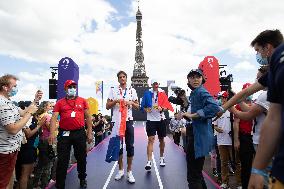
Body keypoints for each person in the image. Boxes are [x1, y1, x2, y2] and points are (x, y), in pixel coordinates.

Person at [218, 29, 283, 116]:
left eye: (257, 50)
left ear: (267, 47)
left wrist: (224, 108)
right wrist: (223, 108)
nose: (258, 54)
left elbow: (247, 96)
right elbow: (246, 92)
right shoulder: (273, 72)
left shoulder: (278, 70)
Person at [248, 43, 284, 189]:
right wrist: (257, 169)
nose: (257, 81)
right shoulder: (279, 56)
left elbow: (248, 114)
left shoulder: (263, 96)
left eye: (258, 78)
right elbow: (274, 118)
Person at [49, 80, 93, 189]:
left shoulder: (82, 101)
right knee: (62, 160)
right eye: (70, 87)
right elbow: (54, 118)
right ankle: (60, 185)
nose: (73, 88)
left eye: (74, 86)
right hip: (64, 133)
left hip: (79, 133)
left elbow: (88, 117)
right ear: (65, 89)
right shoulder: (60, 102)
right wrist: (51, 134)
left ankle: (82, 178)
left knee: (81, 158)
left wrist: (89, 132)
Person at [181, 69, 220, 189]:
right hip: (197, 134)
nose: (195, 79)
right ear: (188, 80)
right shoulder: (195, 93)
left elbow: (214, 107)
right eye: (192, 77)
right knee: (197, 173)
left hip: (197, 136)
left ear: (202, 79)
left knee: (193, 176)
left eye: (198, 77)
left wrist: (193, 115)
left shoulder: (200, 92)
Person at [0, 74, 41, 189]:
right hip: (5, 151)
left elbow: (23, 112)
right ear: (5, 87)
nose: (16, 89)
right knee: (3, 182)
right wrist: (29, 113)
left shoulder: (9, 102)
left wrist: (36, 100)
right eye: (14, 86)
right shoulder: (2, 104)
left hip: (11, 149)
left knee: (9, 180)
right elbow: (13, 129)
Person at [106, 71, 139, 183]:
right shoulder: (113, 90)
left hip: (128, 122)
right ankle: (121, 170)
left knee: (130, 146)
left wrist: (130, 103)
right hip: (117, 122)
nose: (122, 78)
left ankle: (129, 171)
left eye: (123, 77)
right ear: (118, 79)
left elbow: (137, 107)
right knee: (118, 146)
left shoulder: (132, 90)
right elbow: (107, 106)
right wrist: (115, 100)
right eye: (120, 77)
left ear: (126, 78)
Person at [141, 79, 174, 170]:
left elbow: (167, 107)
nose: (156, 85)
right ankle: (149, 161)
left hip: (161, 119)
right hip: (150, 120)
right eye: (154, 84)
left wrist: (162, 109)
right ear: (151, 84)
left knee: (161, 139)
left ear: (158, 84)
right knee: (150, 139)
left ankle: (161, 158)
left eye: (157, 84)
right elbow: (142, 106)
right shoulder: (147, 93)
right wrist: (146, 109)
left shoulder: (162, 93)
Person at [213, 91, 242, 189]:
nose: (221, 99)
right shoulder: (218, 110)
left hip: (232, 141)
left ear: (226, 98)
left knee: (237, 162)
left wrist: (236, 138)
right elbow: (215, 125)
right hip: (221, 141)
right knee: (223, 162)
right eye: (220, 98)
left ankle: (239, 183)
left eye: (223, 98)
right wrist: (217, 129)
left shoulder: (233, 109)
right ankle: (225, 182)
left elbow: (237, 123)